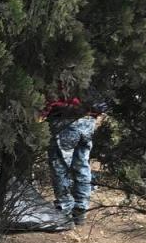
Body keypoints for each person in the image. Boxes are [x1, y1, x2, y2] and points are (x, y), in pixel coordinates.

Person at [41, 72, 107, 226]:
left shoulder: (61, 70)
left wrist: (41, 114)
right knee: (82, 165)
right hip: (88, 122)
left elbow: (52, 97)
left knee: (60, 167)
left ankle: (64, 212)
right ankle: (80, 210)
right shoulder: (86, 69)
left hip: (65, 121)